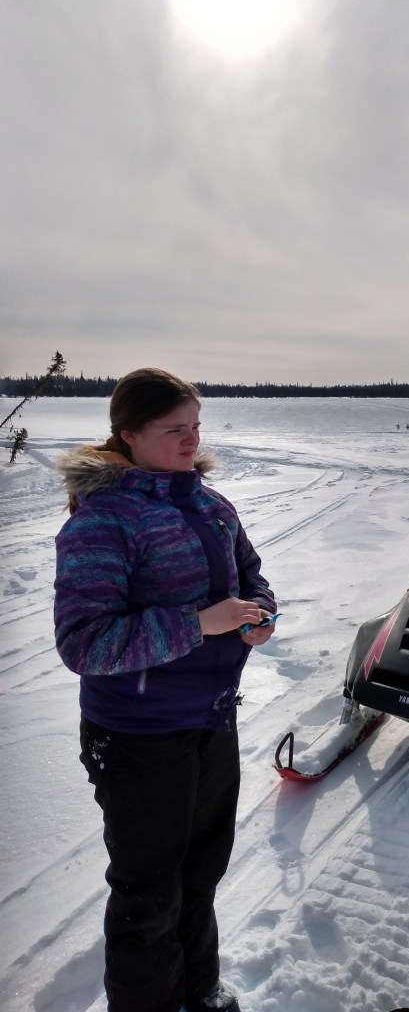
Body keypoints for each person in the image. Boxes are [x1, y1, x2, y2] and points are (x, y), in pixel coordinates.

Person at [54, 368, 277, 1012]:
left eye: (196, 426)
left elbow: (252, 576)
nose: (191, 440)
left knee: (200, 872)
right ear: (128, 434)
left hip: (211, 719)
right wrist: (199, 624)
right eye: (173, 429)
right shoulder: (103, 520)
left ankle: (198, 990)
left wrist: (259, 615)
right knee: (147, 894)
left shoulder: (209, 503)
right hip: (137, 736)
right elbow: (84, 643)